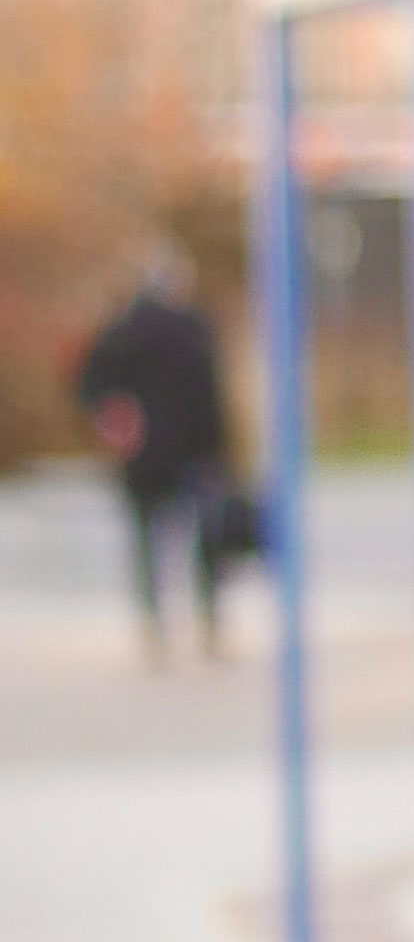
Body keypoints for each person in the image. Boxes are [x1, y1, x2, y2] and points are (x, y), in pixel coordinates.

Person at [75, 244, 233, 661]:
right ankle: (203, 624)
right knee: (202, 539)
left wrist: (112, 417)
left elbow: (91, 384)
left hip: (150, 454)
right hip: (190, 451)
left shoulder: (125, 326)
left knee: (152, 541)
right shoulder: (190, 325)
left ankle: (158, 628)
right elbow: (210, 395)